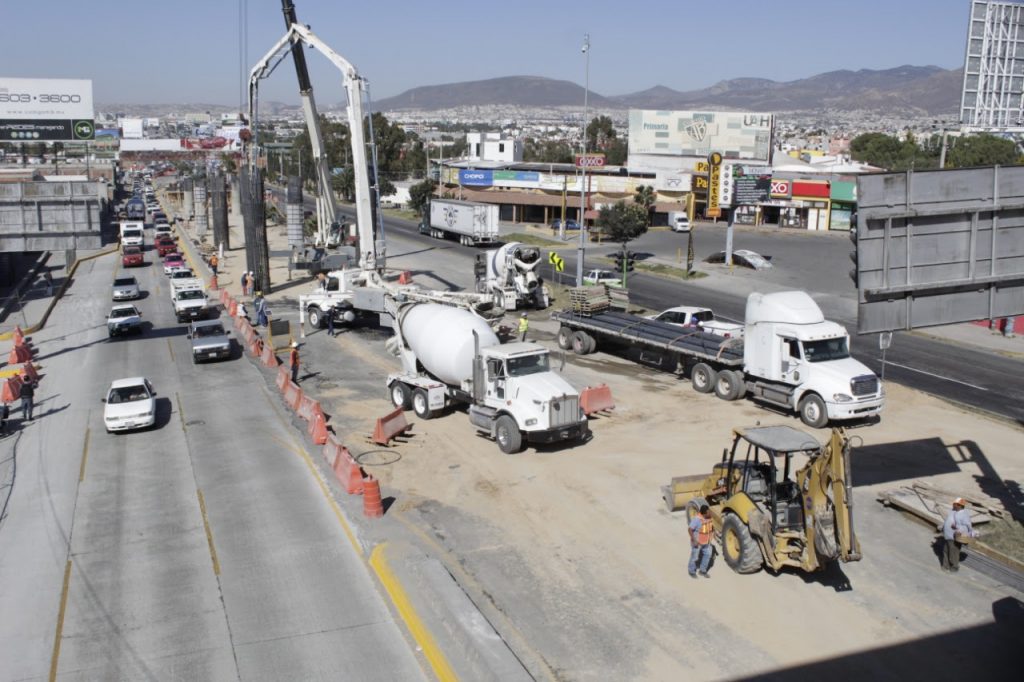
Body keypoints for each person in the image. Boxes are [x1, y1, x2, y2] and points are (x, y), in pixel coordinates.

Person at [941, 497, 976, 572]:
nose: (953, 505)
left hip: (955, 537)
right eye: (954, 504)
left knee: (954, 553)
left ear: (960, 506)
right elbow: (948, 520)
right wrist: (943, 527)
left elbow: (966, 527)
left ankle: (954, 567)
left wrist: (956, 527)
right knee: (946, 550)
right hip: (948, 536)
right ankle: (945, 566)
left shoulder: (964, 515)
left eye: (955, 504)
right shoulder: (953, 511)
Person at [688, 504, 714, 578]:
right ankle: (691, 571)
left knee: (708, 555)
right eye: (708, 512)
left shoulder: (709, 517)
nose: (710, 513)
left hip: (706, 542)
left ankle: (702, 571)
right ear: (704, 514)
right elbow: (690, 529)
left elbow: (711, 526)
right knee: (694, 557)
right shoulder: (697, 519)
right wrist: (694, 540)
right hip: (697, 543)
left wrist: (713, 534)